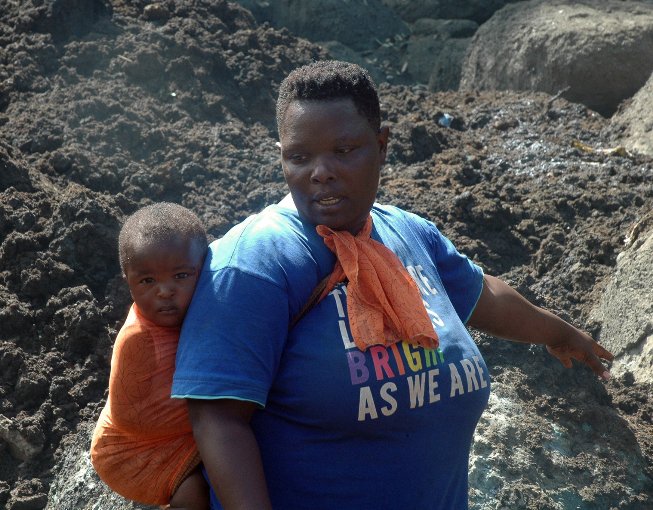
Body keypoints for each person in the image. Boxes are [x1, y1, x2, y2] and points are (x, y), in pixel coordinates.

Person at [171, 61, 614, 510]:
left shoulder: (408, 234)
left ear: (381, 146)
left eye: (344, 150)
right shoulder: (253, 265)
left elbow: (483, 296)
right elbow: (218, 419)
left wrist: (560, 334)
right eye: (300, 157)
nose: (320, 172)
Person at [91, 202, 209, 510]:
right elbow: (138, 418)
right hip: (135, 452)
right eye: (147, 281)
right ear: (127, 284)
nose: (165, 291)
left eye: (181, 275)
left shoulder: (197, 310)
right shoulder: (139, 341)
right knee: (194, 493)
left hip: (169, 431)